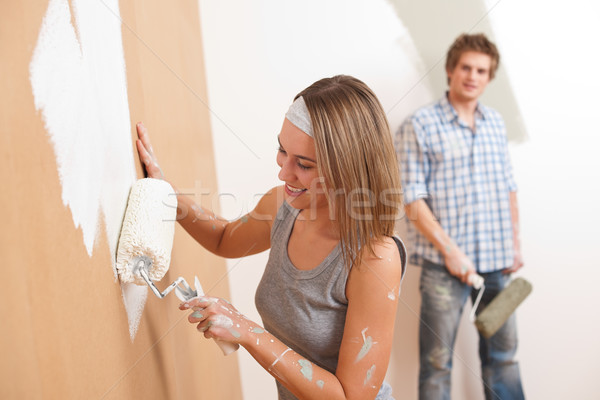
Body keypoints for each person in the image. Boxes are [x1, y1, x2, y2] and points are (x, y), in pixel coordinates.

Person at [136, 75, 407, 400]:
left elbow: (350, 396)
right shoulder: (282, 205)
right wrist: (166, 194)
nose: (283, 172)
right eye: (282, 150)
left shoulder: (375, 258)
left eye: (303, 164)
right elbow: (224, 238)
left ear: (346, 169)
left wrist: (247, 331)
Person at [396, 34, 525, 399]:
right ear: (451, 70)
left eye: (481, 70)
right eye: (466, 67)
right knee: (437, 364)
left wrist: (514, 247)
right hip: (442, 268)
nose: (473, 76)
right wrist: (451, 251)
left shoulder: (496, 123)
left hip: (499, 267)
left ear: (489, 77)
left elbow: (509, 187)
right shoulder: (418, 124)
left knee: (504, 358)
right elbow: (411, 198)